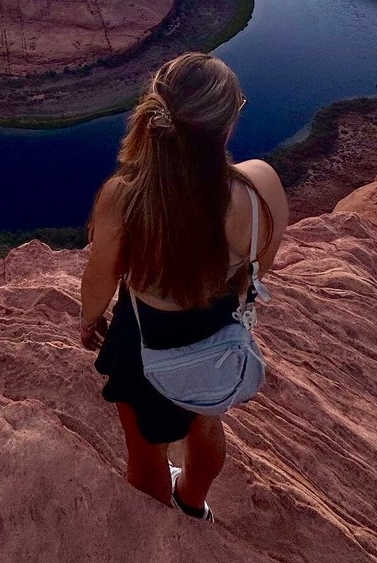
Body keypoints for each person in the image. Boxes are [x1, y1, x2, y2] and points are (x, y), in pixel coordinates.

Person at [79, 52, 289, 522]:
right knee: (205, 420)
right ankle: (193, 503)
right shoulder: (261, 189)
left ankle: (161, 527)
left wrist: (90, 321)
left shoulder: (127, 198)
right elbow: (259, 271)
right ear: (228, 125)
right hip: (218, 337)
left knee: (146, 453)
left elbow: (99, 283)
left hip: (145, 343)